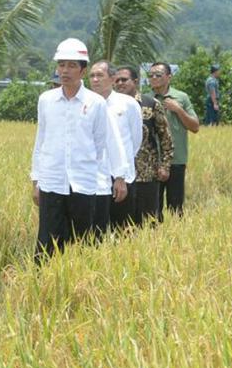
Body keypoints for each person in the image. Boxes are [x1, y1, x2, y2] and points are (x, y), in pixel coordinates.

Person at [30, 39, 128, 260]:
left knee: (83, 244)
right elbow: (41, 140)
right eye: (61, 64)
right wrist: (36, 179)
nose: (65, 70)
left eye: (72, 65)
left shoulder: (95, 103)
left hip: (83, 184)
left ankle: (79, 280)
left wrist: (117, 175)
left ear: (83, 71)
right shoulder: (46, 100)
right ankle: (44, 280)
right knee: (47, 244)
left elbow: (101, 144)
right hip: (52, 182)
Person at [114, 65, 173, 224]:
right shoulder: (109, 105)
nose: (120, 83)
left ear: (135, 81)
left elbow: (165, 137)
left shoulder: (150, 104)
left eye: (124, 80)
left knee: (147, 222)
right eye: (117, 80)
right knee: (121, 224)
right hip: (120, 175)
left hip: (146, 174)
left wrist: (165, 166)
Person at [87, 61, 141, 234]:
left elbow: (135, 140)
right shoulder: (85, 104)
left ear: (112, 78)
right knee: (95, 231)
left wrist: (120, 171)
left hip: (122, 177)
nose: (95, 80)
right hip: (94, 176)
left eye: (99, 75)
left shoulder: (128, 104)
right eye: (92, 76)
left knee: (122, 230)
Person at [147, 62, 199, 219]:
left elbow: (195, 127)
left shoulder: (181, 97)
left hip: (176, 159)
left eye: (158, 75)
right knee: (152, 208)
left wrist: (178, 109)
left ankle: (176, 233)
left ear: (169, 77)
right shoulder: (146, 99)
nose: (153, 78)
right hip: (152, 161)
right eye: (151, 75)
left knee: (176, 207)